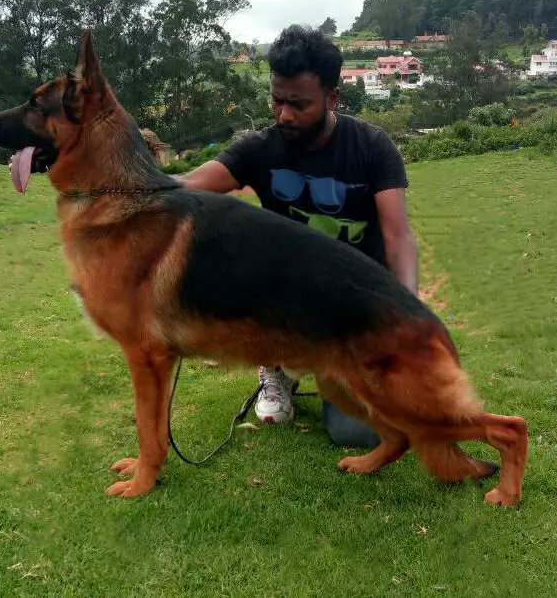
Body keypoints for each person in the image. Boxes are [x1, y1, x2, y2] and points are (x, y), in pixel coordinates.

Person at [179, 25, 418, 447]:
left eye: (299, 104)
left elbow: (398, 237)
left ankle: (332, 363)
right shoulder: (259, 149)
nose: (284, 115)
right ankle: (278, 367)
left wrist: (408, 316)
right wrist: (123, 177)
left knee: (357, 433)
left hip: (354, 301)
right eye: (277, 100)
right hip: (287, 299)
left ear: (332, 98)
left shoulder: (371, 147)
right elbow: (187, 187)